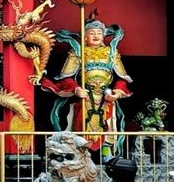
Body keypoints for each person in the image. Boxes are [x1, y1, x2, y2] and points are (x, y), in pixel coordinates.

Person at [41, 15, 132, 156]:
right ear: (85, 37)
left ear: (103, 36)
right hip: (85, 97)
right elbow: (66, 78)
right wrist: (76, 89)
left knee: (108, 128)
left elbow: (122, 78)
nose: (96, 36)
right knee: (80, 126)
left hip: (105, 97)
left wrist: (117, 93)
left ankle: (107, 156)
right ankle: (79, 155)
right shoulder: (78, 52)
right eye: (91, 33)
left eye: (99, 33)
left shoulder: (111, 53)